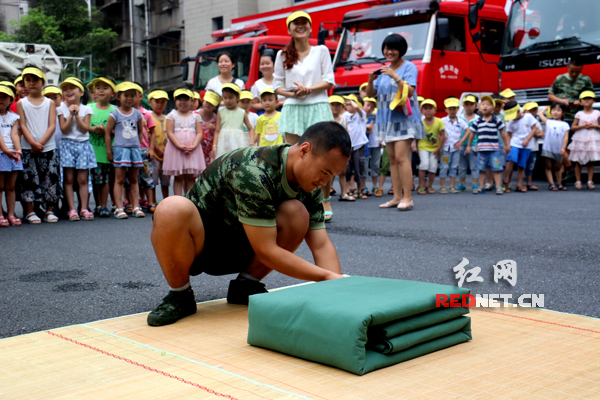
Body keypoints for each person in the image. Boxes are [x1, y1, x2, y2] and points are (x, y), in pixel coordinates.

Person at [147, 121, 351, 327]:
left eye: (331, 176)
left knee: (296, 213)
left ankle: (246, 285)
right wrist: (326, 277)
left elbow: (321, 244)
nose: (325, 182)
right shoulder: (254, 170)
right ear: (305, 150)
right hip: (200, 247)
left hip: (246, 247)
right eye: (325, 172)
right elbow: (267, 251)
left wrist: (339, 294)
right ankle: (180, 295)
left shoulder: (310, 186)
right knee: (170, 208)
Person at [274, 11, 336, 218]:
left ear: (310, 27)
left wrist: (308, 89)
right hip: (293, 108)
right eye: (295, 24)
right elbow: (277, 87)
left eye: (304, 23)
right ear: (289, 29)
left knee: (323, 155)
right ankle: (297, 202)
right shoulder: (282, 55)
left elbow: (329, 80)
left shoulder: (321, 50)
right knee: (294, 157)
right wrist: (293, 93)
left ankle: (325, 201)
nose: (300, 26)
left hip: (318, 105)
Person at [367, 33, 424, 210]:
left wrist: (394, 75)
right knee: (392, 159)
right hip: (386, 118)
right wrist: (370, 80)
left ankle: (408, 198)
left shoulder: (409, 67)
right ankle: (396, 197)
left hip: (404, 117)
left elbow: (411, 91)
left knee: (401, 158)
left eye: (392, 48)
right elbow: (370, 95)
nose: (388, 51)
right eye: (386, 48)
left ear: (401, 50)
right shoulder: (384, 69)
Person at [17, 65, 61, 224]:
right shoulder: (22, 103)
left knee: (50, 177)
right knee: (28, 178)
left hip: (47, 146)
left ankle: (49, 210)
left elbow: (52, 125)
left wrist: (40, 143)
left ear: (43, 82)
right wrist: (32, 143)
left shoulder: (49, 102)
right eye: (27, 80)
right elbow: (22, 125)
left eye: (35, 80)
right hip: (27, 147)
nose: (31, 83)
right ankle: (30, 211)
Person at [57, 77, 97, 221]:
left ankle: (84, 208)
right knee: (68, 178)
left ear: (81, 92)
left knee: (82, 179)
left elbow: (84, 129)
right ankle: (71, 209)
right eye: (65, 89)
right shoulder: (60, 108)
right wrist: (70, 115)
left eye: (72, 88)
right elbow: (64, 130)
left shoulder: (87, 108)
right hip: (66, 144)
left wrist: (77, 115)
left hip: (83, 145)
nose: (68, 91)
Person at [104, 82, 145, 219]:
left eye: (132, 96)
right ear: (118, 97)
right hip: (120, 149)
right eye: (125, 95)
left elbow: (140, 132)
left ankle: (136, 206)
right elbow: (108, 132)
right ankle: (119, 207)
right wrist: (109, 152)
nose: (129, 98)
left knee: (134, 179)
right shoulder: (114, 113)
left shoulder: (138, 114)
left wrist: (137, 146)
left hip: (134, 150)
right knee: (119, 179)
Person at [163, 88, 206, 196]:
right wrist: (179, 145)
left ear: (192, 101)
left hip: (193, 149)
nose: (183, 102)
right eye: (179, 99)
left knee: (190, 177)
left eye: (186, 99)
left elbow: (199, 133)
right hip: (176, 149)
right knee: (178, 177)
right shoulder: (172, 115)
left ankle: (189, 200)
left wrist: (194, 145)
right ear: (175, 101)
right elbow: (170, 132)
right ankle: (178, 201)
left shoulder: (196, 116)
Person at [465, 95, 509, 195]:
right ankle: (481, 186)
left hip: (494, 150)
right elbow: (472, 133)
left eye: (488, 105)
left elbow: (502, 132)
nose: (485, 106)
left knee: (497, 169)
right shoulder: (477, 121)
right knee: (481, 169)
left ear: (493, 108)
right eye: (483, 104)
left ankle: (498, 186)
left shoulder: (496, 119)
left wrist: (506, 144)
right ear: (479, 107)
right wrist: (469, 145)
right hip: (481, 150)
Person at [87, 77, 117, 218]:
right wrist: (94, 129)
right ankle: (98, 204)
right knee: (94, 180)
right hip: (91, 151)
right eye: (98, 88)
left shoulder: (115, 110)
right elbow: (83, 127)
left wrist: (108, 131)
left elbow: (119, 130)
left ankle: (105, 205)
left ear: (113, 93)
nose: (101, 90)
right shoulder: (89, 108)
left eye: (105, 88)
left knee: (105, 180)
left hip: (108, 151)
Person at [0, 84, 23, 227]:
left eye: (4, 97)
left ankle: (10, 214)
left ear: (11, 100)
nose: (1, 99)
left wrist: (18, 150)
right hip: (2, 153)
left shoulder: (14, 117)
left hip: (13, 154)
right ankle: (0, 215)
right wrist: (7, 151)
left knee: (11, 186)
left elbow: (15, 134)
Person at [504, 101, 539, 193]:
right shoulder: (511, 121)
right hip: (515, 143)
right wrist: (507, 145)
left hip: (526, 144)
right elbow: (509, 134)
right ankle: (506, 182)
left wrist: (528, 139)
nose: (512, 118)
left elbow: (534, 128)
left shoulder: (528, 116)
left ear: (518, 111)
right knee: (511, 160)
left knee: (522, 165)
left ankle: (519, 184)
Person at [568, 91, 600, 189]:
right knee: (579, 161)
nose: (587, 100)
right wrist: (582, 126)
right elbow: (573, 127)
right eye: (584, 99)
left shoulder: (597, 113)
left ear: (593, 101)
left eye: (589, 98)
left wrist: (594, 125)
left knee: (591, 161)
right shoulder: (579, 114)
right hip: (581, 138)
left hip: (592, 138)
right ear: (580, 102)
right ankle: (578, 181)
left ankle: (590, 181)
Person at [548, 57, 594, 125]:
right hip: (560, 117)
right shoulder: (560, 78)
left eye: (577, 72)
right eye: (572, 71)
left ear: (582, 68)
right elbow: (550, 96)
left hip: (578, 117)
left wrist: (580, 103)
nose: (574, 74)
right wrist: (562, 101)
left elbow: (591, 98)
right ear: (568, 67)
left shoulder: (585, 80)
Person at [132, 83, 156, 212]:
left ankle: (151, 202)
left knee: (147, 177)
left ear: (140, 96)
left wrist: (151, 149)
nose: (130, 98)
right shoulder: (123, 113)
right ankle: (131, 202)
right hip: (130, 150)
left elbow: (152, 132)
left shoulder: (146, 114)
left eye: (133, 95)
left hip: (144, 151)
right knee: (130, 178)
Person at [213, 83, 255, 158]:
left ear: (238, 97)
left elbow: (251, 128)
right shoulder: (220, 113)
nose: (227, 100)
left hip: (239, 142)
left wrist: (251, 142)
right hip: (223, 143)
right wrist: (214, 146)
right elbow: (217, 130)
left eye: (231, 97)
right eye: (225, 98)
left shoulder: (242, 112)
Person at [539, 104, 570, 190]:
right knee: (548, 166)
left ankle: (559, 183)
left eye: (558, 110)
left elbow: (566, 137)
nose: (555, 112)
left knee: (558, 167)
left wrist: (563, 148)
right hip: (547, 148)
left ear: (563, 113)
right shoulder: (549, 121)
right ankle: (551, 183)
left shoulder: (565, 124)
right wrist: (545, 108)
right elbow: (540, 115)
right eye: (553, 110)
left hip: (559, 149)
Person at [343, 94, 368, 201]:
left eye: (349, 103)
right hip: (348, 147)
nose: (347, 105)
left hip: (359, 145)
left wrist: (353, 102)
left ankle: (359, 189)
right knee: (347, 169)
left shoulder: (361, 115)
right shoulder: (345, 116)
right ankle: (348, 190)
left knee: (359, 167)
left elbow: (358, 108)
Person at [416, 99, 444, 195]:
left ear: (435, 110)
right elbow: (417, 136)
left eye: (430, 108)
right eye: (425, 108)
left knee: (433, 166)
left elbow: (442, 135)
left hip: (435, 148)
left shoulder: (439, 121)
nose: (428, 110)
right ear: (422, 110)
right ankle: (421, 185)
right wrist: (415, 146)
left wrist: (438, 149)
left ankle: (429, 185)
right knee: (424, 164)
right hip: (423, 146)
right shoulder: (420, 122)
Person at [440, 97, 468, 194]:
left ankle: (452, 186)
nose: (452, 111)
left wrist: (461, 141)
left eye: (454, 108)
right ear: (446, 109)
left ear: (457, 109)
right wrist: (441, 138)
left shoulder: (460, 121)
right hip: (445, 149)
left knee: (454, 167)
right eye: (450, 108)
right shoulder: (443, 120)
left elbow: (468, 131)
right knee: (444, 166)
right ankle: (442, 186)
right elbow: (437, 130)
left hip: (456, 149)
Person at [329, 95, 352, 206]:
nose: (335, 107)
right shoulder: (326, 120)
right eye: (332, 104)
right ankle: (326, 194)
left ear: (342, 106)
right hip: (329, 150)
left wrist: (348, 150)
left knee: (343, 172)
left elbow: (347, 135)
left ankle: (343, 193)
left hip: (341, 149)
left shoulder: (344, 120)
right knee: (328, 172)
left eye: (338, 105)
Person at [148, 89, 170, 202]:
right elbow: (148, 135)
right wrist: (157, 149)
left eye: (163, 102)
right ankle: (152, 201)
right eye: (157, 101)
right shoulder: (148, 117)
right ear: (150, 102)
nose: (160, 104)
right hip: (154, 154)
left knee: (165, 181)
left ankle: (166, 200)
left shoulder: (168, 118)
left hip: (167, 154)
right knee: (153, 180)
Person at [456, 95, 480, 193]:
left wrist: (479, 145)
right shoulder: (459, 118)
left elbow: (480, 133)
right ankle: (462, 184)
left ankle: (475, 184)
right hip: (461, 145)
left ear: (476, 105)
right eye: (467, 104)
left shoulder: (478, 119)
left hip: (474, 145)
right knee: (462, 166)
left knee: (474, 166)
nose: (469, 107)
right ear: (463, 105)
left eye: (471, 104)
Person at [522, 102, 543, 191]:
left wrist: (532, 132)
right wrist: (535, 132)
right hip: (523, 147)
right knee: (522, 165)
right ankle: (521, 183)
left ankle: (529, 183)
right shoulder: (521, 121)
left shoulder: (536, 122)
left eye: (534, 110)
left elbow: (540, 134)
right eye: (530, 110)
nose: (533, 112)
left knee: (531, 166)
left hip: (533, 148)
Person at [363, 97, 381, 196]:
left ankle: (375, 185)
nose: (370, 108)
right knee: (364, 166)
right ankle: (364, 185)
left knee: (375, 165)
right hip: (364, 145)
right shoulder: (360, 116)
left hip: (376, 143)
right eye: (367, 105)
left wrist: (381, 139)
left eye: (372, 106)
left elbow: (380, 128)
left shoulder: (375, 116)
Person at [198, 90, 220, 166]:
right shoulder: (194, 115)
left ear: (215, 107)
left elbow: (221, 132)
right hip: (195, 150)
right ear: (203, 101)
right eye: (207, 101)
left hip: (209, 152)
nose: (208, 104)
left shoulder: (217, 119)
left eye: (211, 103)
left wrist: (214, 127)